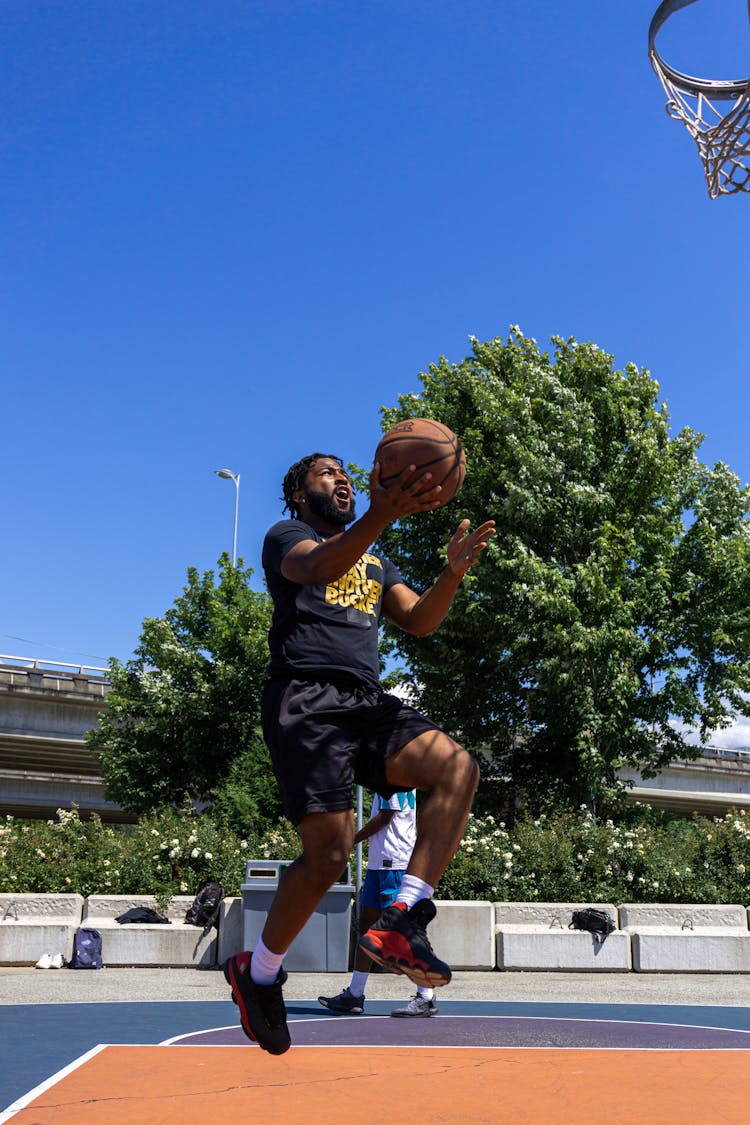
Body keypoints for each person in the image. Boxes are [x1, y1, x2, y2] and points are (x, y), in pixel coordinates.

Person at [223, 451, 495, 1054]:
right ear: (299, 494)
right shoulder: (286, 536)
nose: (341, 478)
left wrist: (450, 574)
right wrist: (380, 512)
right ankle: (259, 973)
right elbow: (318, 563)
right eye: (326, 473)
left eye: (345, 471)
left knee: (457, 767)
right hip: (306, 698)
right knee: (328, 857)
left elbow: (419, 621)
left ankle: (403, 916)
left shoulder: (374, 556)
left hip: (366, 699)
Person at [318, 789, 438, 1018]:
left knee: (403, 931)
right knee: (366, 928)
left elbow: (386, 816)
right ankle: (354, 994)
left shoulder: (396, 780)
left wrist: (350, 841)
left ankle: (426, 996)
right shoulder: (387, 776)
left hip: (395, 864)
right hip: (379, 865)